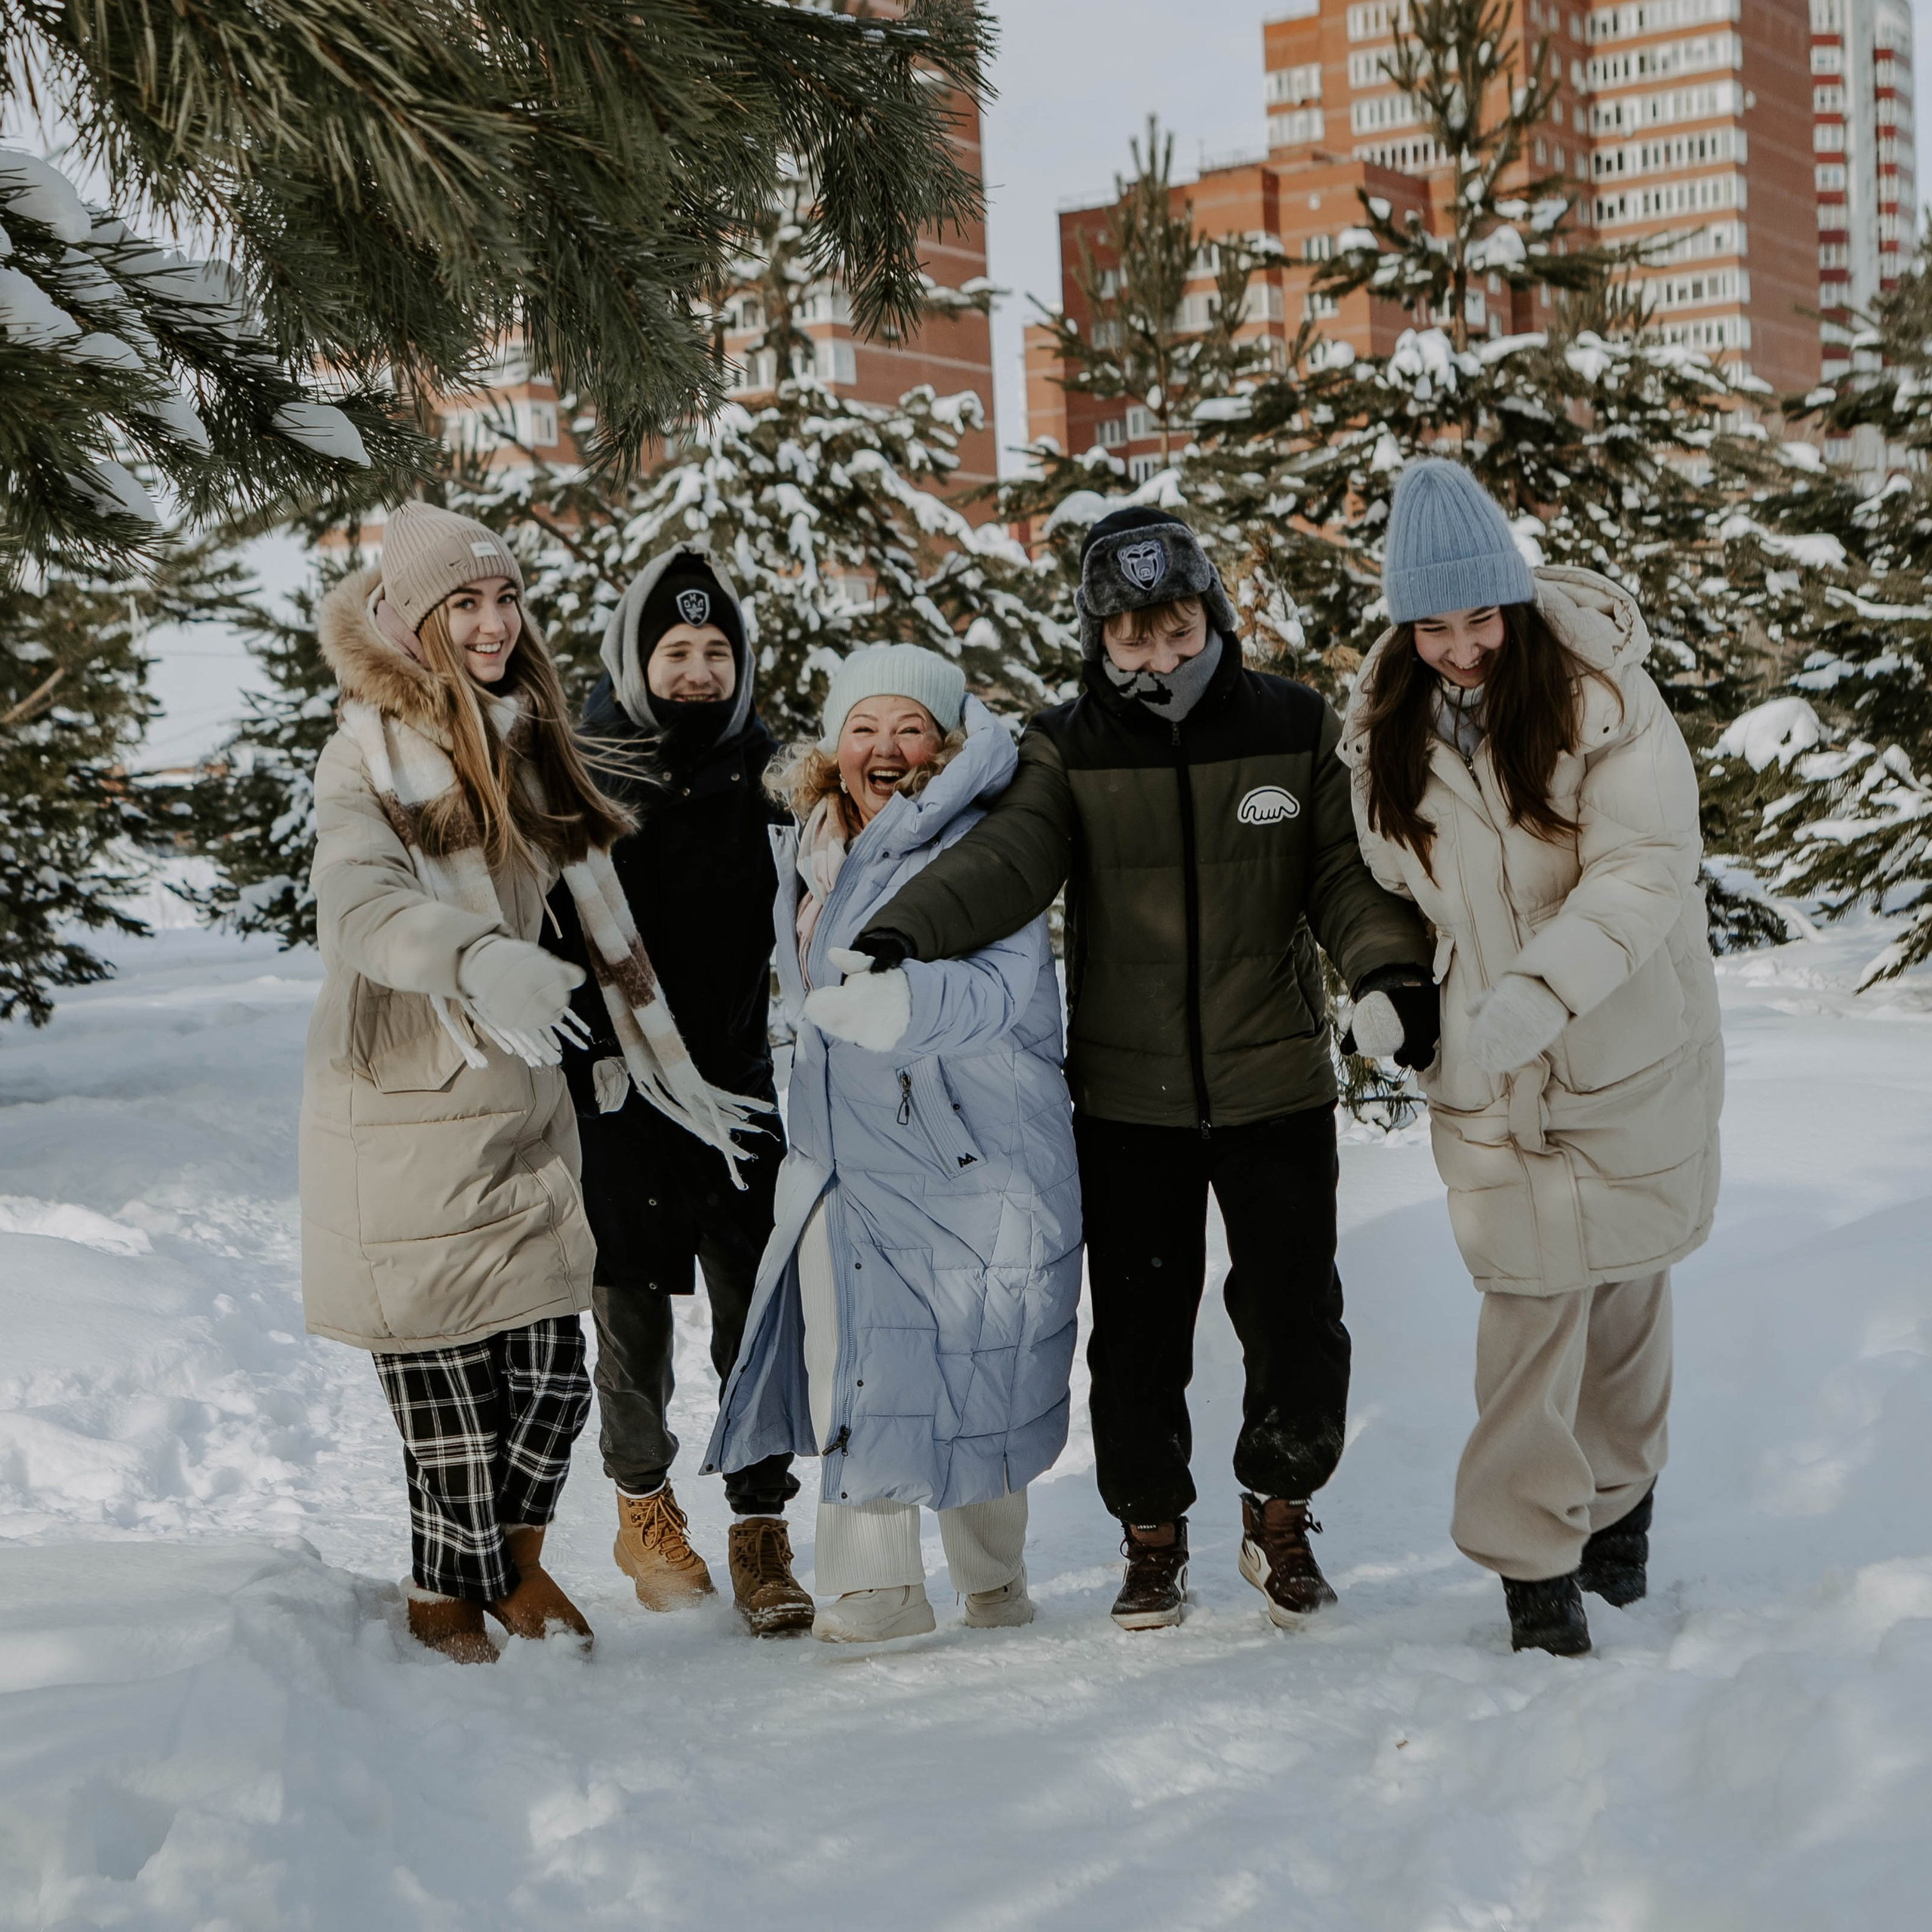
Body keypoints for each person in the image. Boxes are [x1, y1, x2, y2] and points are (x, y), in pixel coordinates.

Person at [850, 511, 1433, 1631]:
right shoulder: (1068, 747)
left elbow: (1342, 879)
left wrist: (1387, 975)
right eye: (1131, 638)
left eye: (1175, 629)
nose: (1158, 657)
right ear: (1099, 639)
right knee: (1139, 1331)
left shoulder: (1290, 725)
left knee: (1295, 1316)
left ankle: (1279, 1514)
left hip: (1275, 1090)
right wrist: (905, 934)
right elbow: (1009, 861)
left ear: (1209, 613)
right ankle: (1152, 1534)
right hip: (1128, 1101)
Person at [300, 503, 754, 1663]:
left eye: (505, 600)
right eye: (467, 604)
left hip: (526, 1094)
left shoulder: (529, 737)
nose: (496, 624)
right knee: (452, 1393)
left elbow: (598, 899)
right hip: (413, 1096)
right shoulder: (364, 755)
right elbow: (358, 907)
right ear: (410, 617)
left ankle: (516, 1564)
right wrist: (475, 956)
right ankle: (444, 1592)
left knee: (550, 1378)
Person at [1338, 458, 1723, 1657]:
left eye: (1480, 618)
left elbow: (1643, 871)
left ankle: (1620, 1507)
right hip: (1492, 1074)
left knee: (1625, 1296)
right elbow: (1386, 884)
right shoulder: (1384, 727)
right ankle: (1531, 1563)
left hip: (1623, 1043)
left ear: (1512, 602)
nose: (1460, 647)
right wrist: (1397, 985)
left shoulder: (1610, 700)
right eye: (1435, 624)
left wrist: (1539, 993)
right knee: (1529, 1309)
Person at [704, 645, 1081, 1644]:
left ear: (943, 740)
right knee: (857, 1365)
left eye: (909, 727)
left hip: (972, 1146)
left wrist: (901, 1002)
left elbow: (998, 989)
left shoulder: (985, 843)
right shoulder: (811, 844)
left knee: (973, 1359)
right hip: (841, 1154)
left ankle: (992, 1579)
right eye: (864, 727)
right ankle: (873, 1592)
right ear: (834, 745)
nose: (885, 746)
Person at [545, 544, 813, 1637]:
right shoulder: (586, 775)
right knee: (632, 1321)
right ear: (636, 658)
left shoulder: (776, 778)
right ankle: (643, 1508)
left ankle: (760, 1526)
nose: (698, 671)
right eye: (676, 651)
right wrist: (584, 1068)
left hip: (740, 1088)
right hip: (621, 1094)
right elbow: (553, 934)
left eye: (715, 651)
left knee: (756, 1317)